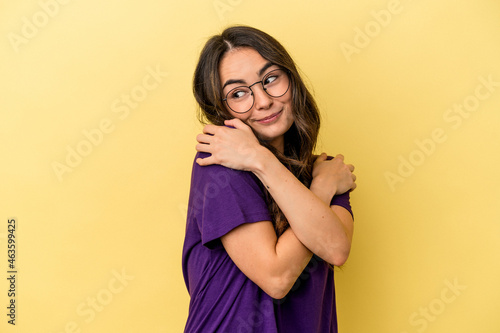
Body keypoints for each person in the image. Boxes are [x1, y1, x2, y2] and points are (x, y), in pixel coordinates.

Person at [182, 25, 357, 332]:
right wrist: (318, 187)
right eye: (238, 94)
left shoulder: (325, 170)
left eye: (271, 79)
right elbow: (276, 277)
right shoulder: (219, 167)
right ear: (221, 109)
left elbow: (335, 248)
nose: (262, 101)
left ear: (292, 79)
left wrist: (274, 167)